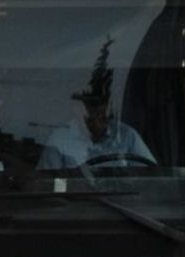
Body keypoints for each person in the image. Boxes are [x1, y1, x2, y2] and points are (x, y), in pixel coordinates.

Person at [38, 39, 155, 170]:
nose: (98, 123)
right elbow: (48, 184)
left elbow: (150, 177)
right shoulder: (59, 141)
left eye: (102, 116)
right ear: (77, 108)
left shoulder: (127, 136)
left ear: (109, 107)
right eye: (91, 114)